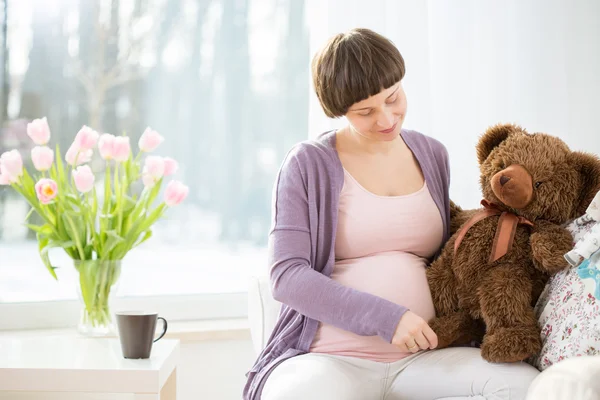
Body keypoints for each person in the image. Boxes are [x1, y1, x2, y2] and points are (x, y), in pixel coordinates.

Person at [244, 28, 540, 400]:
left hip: (424, 356)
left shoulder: (432, 154)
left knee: (522, 387)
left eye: (393, 97)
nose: (386, 118)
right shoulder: (309, 164)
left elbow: (450, 248)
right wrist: (388, 318)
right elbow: (287, 276)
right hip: (331, 359)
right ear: (339, 111)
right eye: (365, 111)